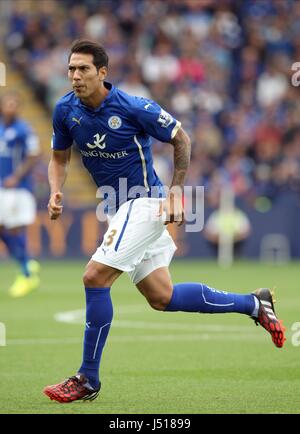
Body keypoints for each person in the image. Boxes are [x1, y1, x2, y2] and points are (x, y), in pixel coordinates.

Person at [43, 40, 286, 404]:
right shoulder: (65, 110)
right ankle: (253, 304)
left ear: (102, 73)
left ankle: (87, 378)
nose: (76, 76)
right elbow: (59, 158)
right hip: (116, 206)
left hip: (144, 201)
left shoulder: (132, 107)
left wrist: (175, 191)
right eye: (71, 69)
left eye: (84, 69)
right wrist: (54, 190)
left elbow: (180, 138)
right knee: (162, 296)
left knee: (94, 276)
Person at [0, 92, 40, 297]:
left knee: (15, 229)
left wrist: (16, 176)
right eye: (8, 103)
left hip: (16, 188)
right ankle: (27, 264)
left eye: (14, 104)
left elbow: (34, 154)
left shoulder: (23, 129)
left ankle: (26, 274)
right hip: (2, 188)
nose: (11, 107)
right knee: (4, 229)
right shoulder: (0, 128)